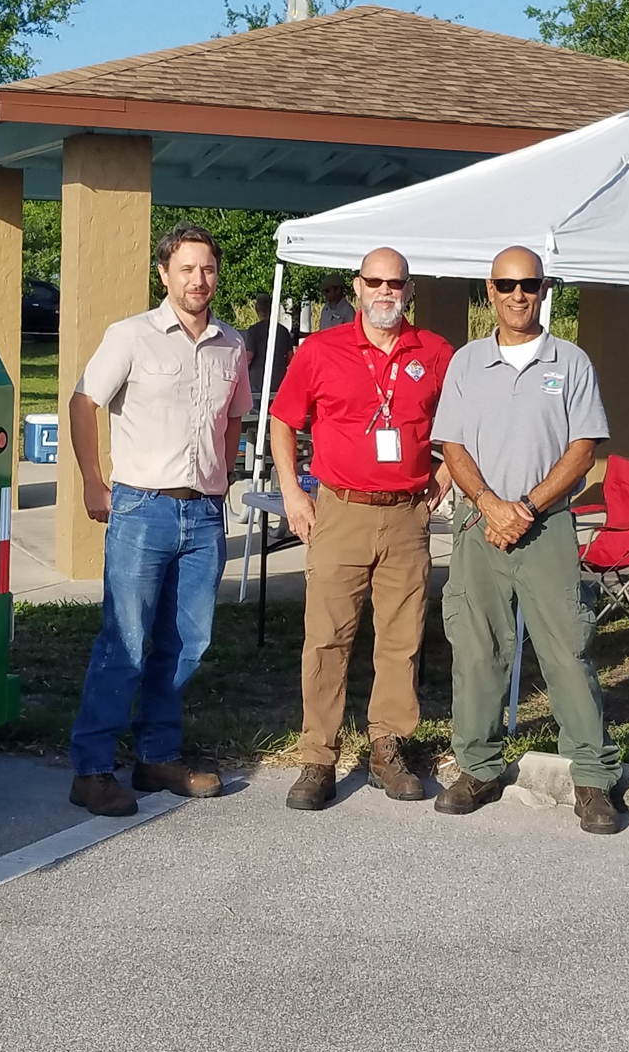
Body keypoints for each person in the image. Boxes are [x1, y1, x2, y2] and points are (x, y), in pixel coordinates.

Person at [429, 245, 623, 834]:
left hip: (547, 527)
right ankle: (479, 767)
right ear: (489, 291)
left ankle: (592, 779)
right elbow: (452, 446)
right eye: (507, 285)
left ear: (544, 290)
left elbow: (583, 449)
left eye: (530, 285)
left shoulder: (572, 363)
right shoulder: (465, 363)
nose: (519, 295)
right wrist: (490, 505)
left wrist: (527, 507)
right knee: (477, 650)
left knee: (568, 650)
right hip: (477, 526)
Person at [64, 222, 251, 817]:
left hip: (203, 515)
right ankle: (92, 771)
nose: (200, 280)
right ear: (165, 274)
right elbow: (83, 401)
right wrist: (95, 480)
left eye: (208, 269)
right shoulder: (131, 336)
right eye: (188, 269)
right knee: (127, 641)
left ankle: (157, 756)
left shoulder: (232, 344)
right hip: (142, 509)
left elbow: (231, 420)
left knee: (187, 642)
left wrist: (221, 483)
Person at [268, 248, 454, 811]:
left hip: (406, 514)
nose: (384, 292)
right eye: (374, 281)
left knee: (402, 640)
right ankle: (318, 758)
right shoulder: (320, 350)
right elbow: (282, 420)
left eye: (395, 283)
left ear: (409, 290)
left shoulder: (436, 352)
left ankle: (386, 748)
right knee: (326, 637)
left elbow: (468, 427)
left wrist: (442, 481)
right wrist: (293, 493)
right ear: (357, 287)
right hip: (339, 510)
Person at [243, 292, 294, 397]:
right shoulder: (283, 331)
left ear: (257, 310)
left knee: (256, 411)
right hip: (279, 378)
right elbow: (290, 357)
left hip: (257, 379)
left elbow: (248, 356)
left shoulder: (254, 330)